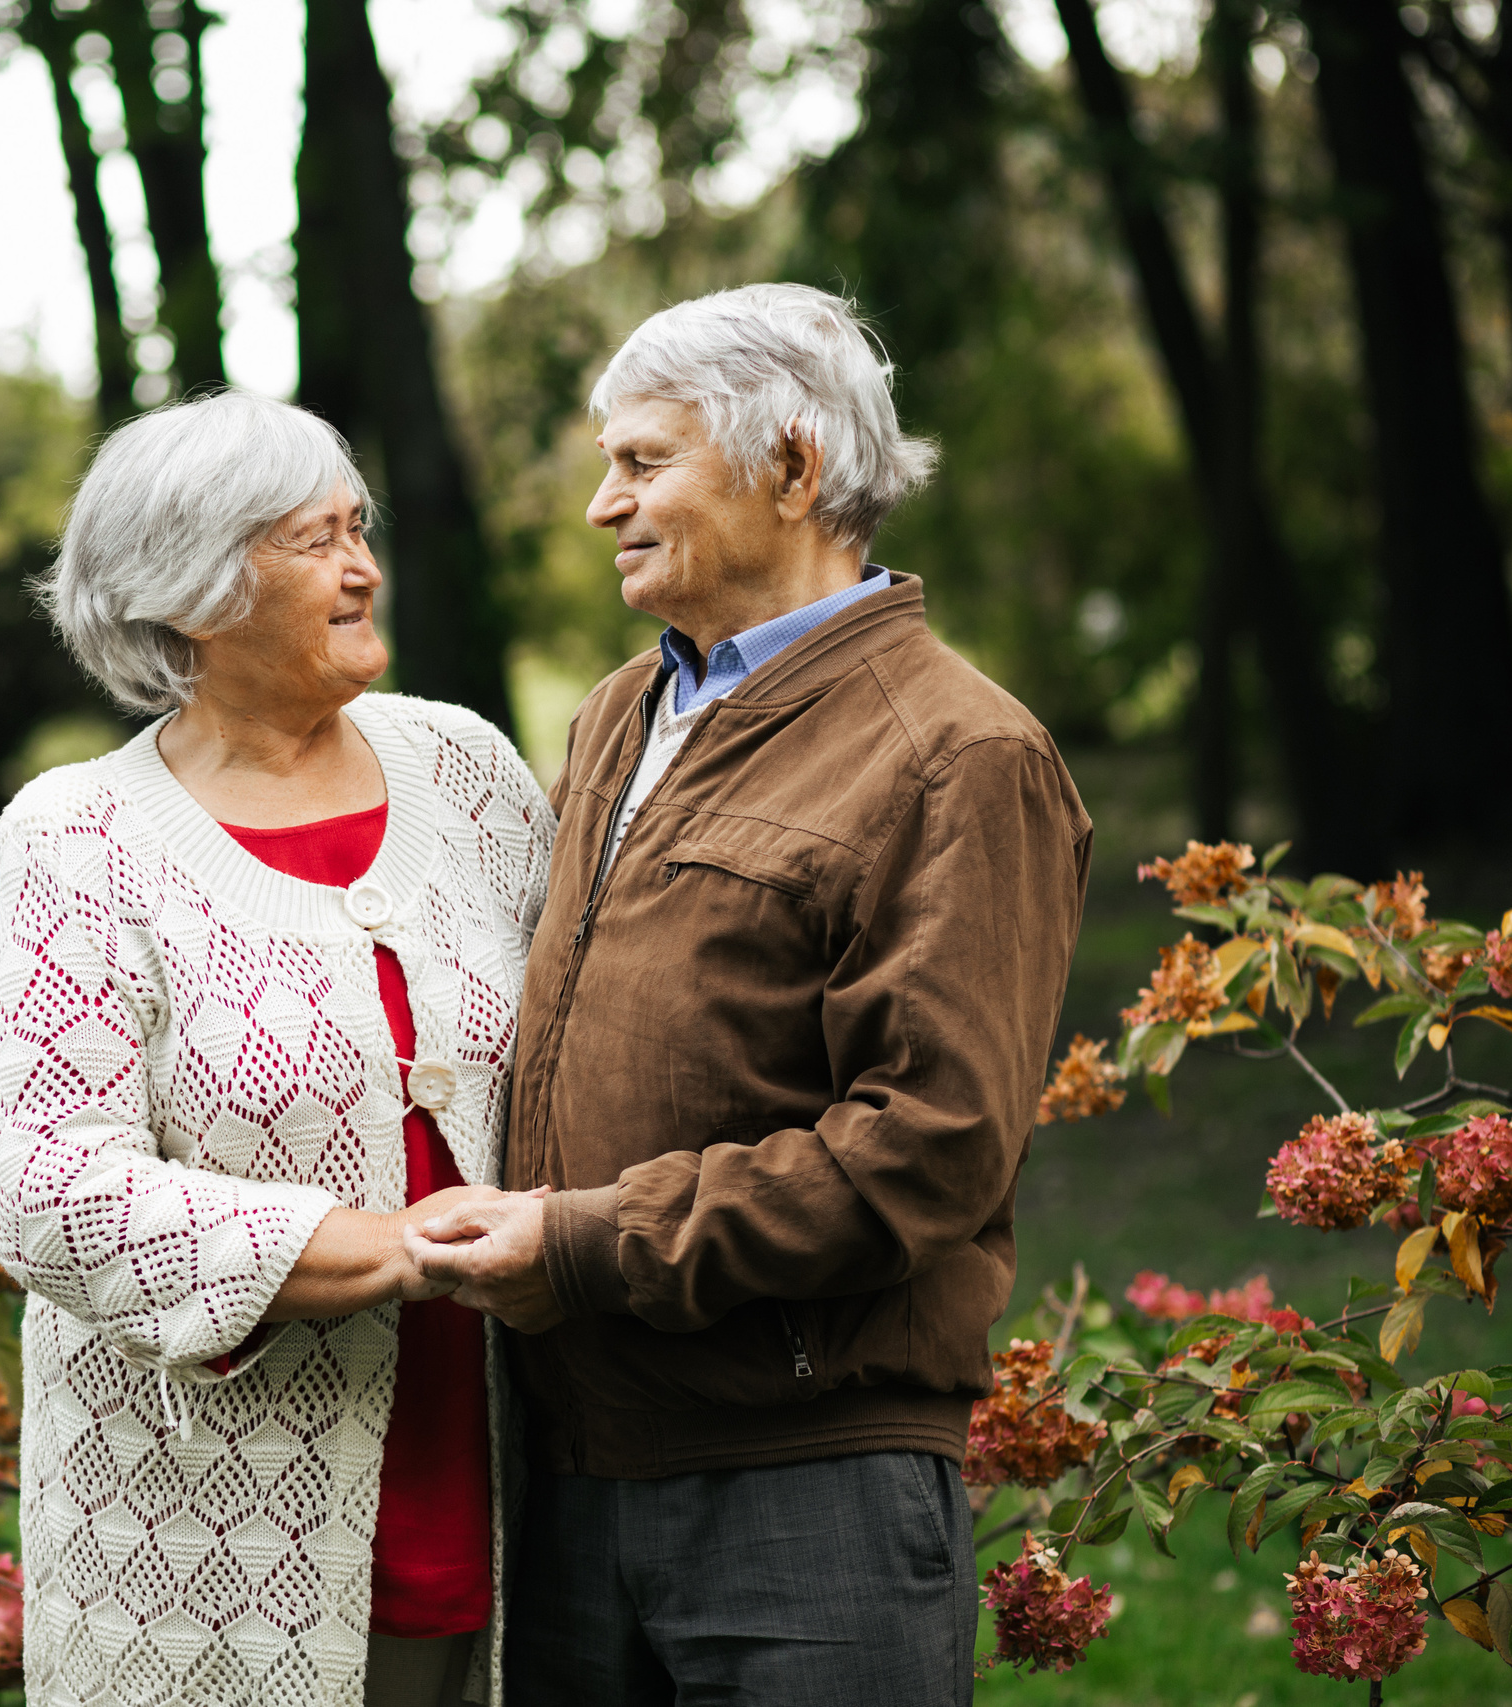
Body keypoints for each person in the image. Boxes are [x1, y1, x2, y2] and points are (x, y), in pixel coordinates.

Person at [408, 282, 1093, 1705]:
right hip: (571, 1472)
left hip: (807, 1489)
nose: (604, 505)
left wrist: (588, 1244)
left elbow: (930, 1150)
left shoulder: (959, 754)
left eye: (642, 463)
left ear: (791, 466)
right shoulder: (617, 713)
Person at [0, 389, 555, 1707]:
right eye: (312, 543)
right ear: (192, 593)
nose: (362, 572)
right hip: (209, 1552)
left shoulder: (464, 770)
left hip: (518, 1490)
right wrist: (379, 1248)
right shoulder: (85, 837)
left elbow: (589, 1036)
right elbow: (49, 1191)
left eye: (358, 531)